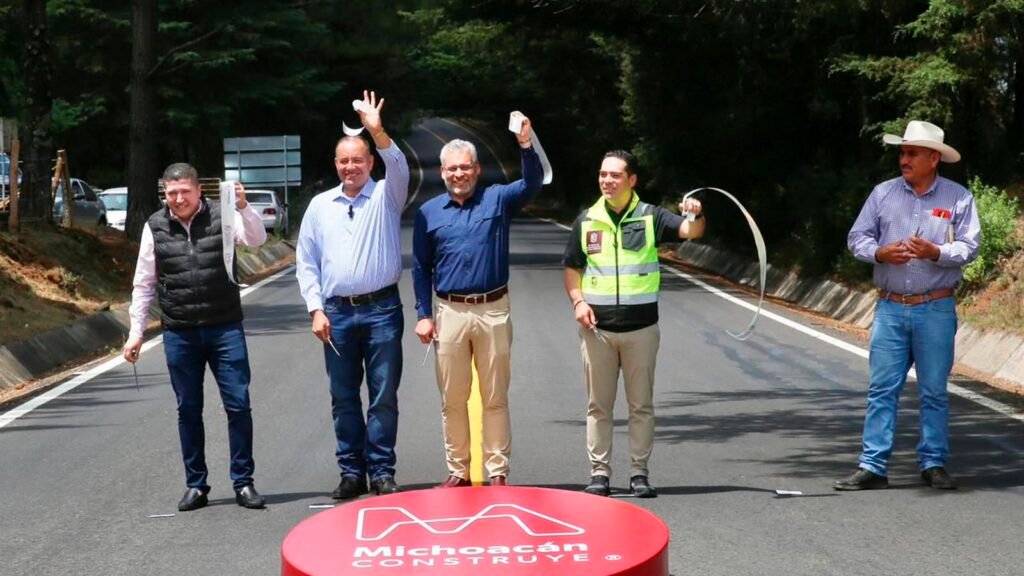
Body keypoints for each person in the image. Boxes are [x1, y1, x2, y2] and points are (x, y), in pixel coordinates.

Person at [836, 120, 980, 491]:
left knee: (933, 390)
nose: (904, 159)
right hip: (890, 308)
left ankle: (933, 463)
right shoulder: (883, 194)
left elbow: (969, 246)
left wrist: (937, 252)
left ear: (934, 158)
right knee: (882, 389)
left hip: (935, 308)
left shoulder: (958, 197)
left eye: (912, 152)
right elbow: (857, 238)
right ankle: (873, 466)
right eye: (902, 152)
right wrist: (879, 253)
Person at [123, 164, 267, 512]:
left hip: (225, 327)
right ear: (164, 194)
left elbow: (256, 239)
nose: (178, 198)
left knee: (238, 405)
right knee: (188, 410)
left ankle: (243, 482)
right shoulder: (155, 226)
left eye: (185, 191)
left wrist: (245, 206)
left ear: (199, 190)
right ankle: (196, 485)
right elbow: (144, 284)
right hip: (180, 331)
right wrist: (136, 333)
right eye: (171, 193)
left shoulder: (224, 215)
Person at [562, 150, 705, 498]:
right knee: (599, 405)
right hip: (598, 330)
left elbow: (691, 231)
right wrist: (579, 302)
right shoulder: (587, 220)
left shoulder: (650, 217)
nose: (607, 181)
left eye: (614, 175)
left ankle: (639, 473)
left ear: (631, 180)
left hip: (641, 330)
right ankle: (599, 473)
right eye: (602, 174)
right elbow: (571, 267)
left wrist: (695, 213)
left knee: (641, 405)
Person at [412, 115, 541, 487]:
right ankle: (458, 470)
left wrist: (526, 144)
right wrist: (424, 314)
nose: (459, 174)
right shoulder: (428, 213)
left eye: (465, 168)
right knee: (453, 398)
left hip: (493, 309)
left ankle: (497, 470)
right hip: (449, 311)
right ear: (443, 171)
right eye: (452, 169)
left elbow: (532, 184)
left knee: (494, 396)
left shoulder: (497, 198)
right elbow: (421, 268)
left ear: (476, 169)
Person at [296, 91, 409, 499]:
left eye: (357, 160)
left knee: (382, 396)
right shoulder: (319, 206)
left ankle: (381, 471)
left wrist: (377, 130)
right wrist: (315, 309)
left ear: (370, 163)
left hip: (381, 310)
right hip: (336, 314)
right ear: (336, 164)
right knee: (343, 397)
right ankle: (351, 472)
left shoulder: (386, 196)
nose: (350, 167)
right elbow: (306, 261)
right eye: (344, 161)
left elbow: (399, 165)